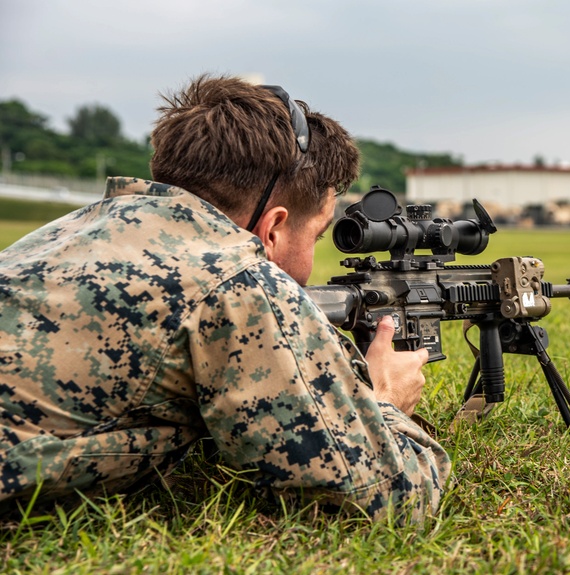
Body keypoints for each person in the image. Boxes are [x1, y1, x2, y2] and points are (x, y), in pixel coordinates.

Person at [0, 75, 450, 521]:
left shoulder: (62, 233)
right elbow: (383, 496)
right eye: (315, 233)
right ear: (272, 228)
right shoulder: (234, 278)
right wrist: (386, 403)